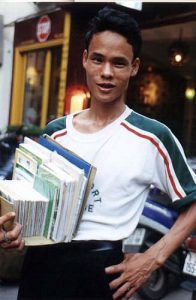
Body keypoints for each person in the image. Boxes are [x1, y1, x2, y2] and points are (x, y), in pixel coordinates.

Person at [18, 6, 196, 300]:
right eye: (98, 59)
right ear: (85, 59)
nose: (107, 73)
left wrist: (153, 258)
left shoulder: (152, 136)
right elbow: (31, 207)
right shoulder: (54, 132)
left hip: (102, 273)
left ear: (134, 67)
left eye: (119, 63)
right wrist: (14, 233)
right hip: (41, 268)